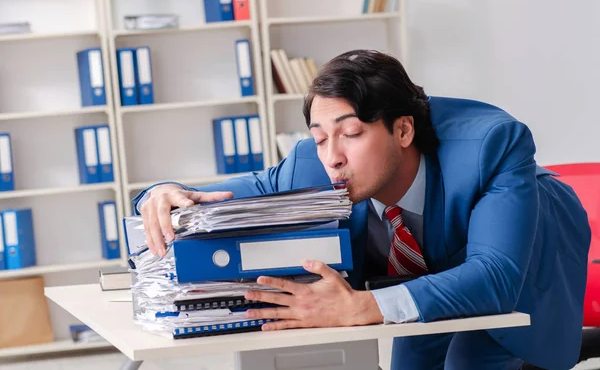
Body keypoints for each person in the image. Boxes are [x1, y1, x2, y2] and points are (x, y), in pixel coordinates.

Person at [133, 49, 591, 370]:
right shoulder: (315, 164)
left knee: (474, 356)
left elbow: (494, 276)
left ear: (403, 131)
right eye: (319, 136)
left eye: (350, 134)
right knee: (410, 358)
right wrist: (160, 193)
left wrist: (363, 306)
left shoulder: (492, 145)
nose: (331, 155)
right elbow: (220, 198)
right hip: (426, 262)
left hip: (526, 243)